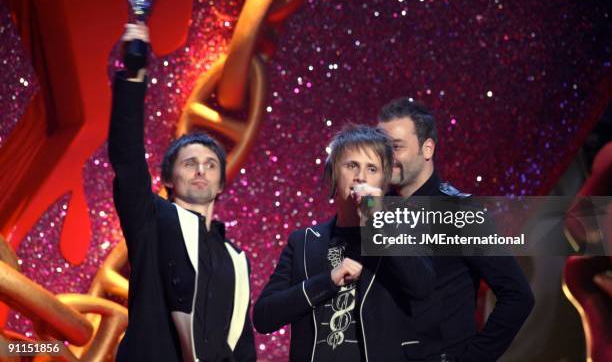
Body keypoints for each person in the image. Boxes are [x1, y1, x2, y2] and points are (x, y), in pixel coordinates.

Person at [108, 23, 256, 362]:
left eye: (210, 165)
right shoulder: (153, 221)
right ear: (169, 179)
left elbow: (242, 343)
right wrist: (133, 77)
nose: (201, 169)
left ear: (221, 184)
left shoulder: (235, 258)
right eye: (190, 163)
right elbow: (128, 159)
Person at [253, 124, 435, 361]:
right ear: (333, 174)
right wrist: (328, 280)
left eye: (372, 168)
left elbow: (422, 288)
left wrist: (378, 222)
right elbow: (264, 317)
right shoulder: (304, 242)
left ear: (384, 182)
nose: (361, 176)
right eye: (351, 166)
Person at [377, 98, 535, 361]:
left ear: (427, 149)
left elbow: (518, 295)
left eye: (396, 147)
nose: (386, 157)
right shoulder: (376, 211)